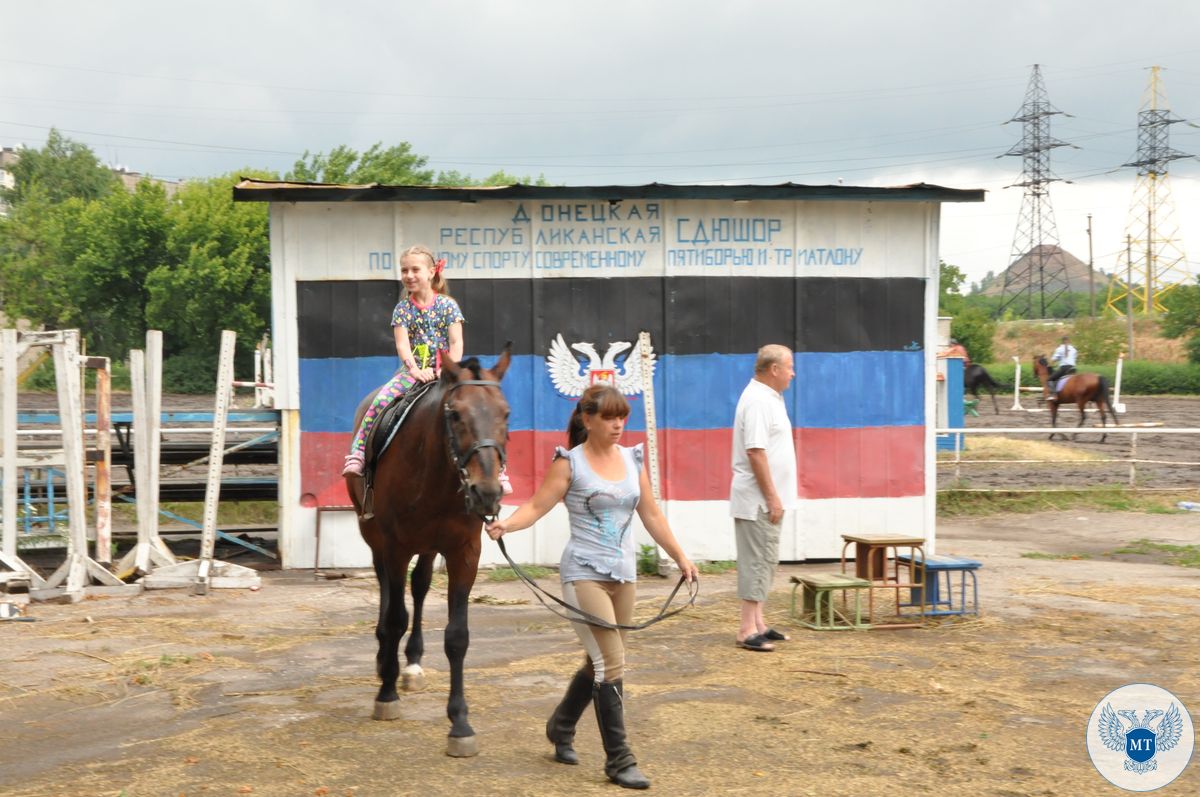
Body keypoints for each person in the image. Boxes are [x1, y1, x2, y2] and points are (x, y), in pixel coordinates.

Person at [485, 384, 698, 790]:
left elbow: (651, 514)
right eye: (609, 417)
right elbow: (536, 505)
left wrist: (681, 557)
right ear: (588, 420)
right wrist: (505, 525)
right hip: (583, 573)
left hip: (624, 575)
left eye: (622, 417)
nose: (618, 424)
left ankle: (561, 725)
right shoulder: (570, 464)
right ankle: (619, 761)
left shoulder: (633, 459)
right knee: (612, 663)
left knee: (598, 660)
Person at [342, 245, 512, 493]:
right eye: (404, 270)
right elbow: (403, 344)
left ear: (431, 272)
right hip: (412, 374)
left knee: (479, 411)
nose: (409, 275)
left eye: (415, 269)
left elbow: (456, 342)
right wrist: (414, 370)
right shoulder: (402, 310)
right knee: (379, 402)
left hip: (446, 373)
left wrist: (449, 370)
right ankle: (358, 454)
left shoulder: (448, 306)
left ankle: (500, 471)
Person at [730, 344, 797, 653]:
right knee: (757, 561)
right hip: (758, 499)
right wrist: (772, 497)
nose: (792, 374)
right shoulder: (758, 401)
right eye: (789, 367)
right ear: (774, 370)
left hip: (767, 499)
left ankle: (759, 623)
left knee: (766, 560)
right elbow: (755, 452)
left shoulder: (769, 398)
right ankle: (746, 630)